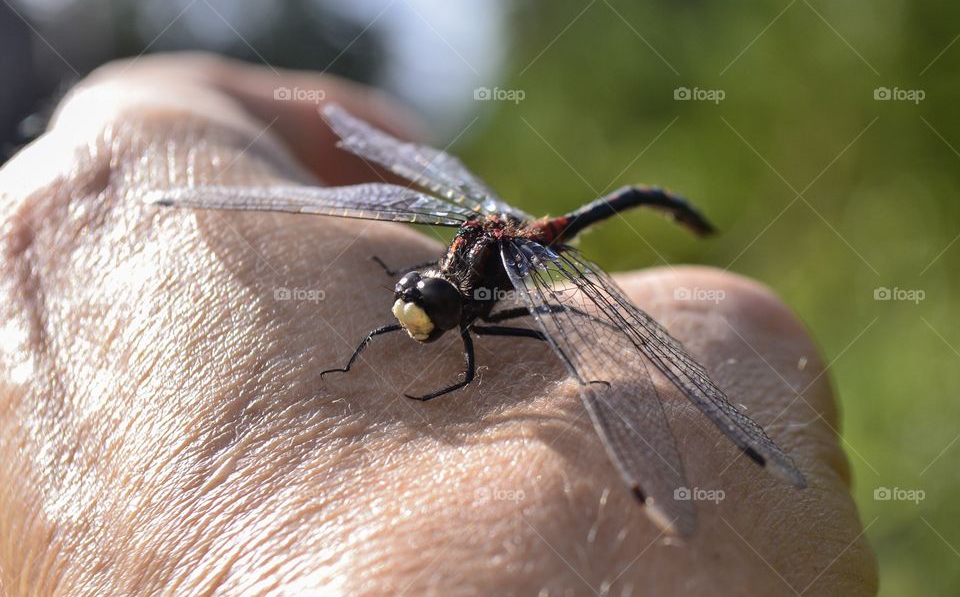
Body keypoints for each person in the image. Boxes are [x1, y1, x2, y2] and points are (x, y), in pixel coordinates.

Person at [0, 53, 877, 596]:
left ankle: (668, 203)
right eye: (422, 295)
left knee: (579, 331)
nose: (418, 306)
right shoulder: (445, 273)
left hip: (538, 249)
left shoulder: (502, 294)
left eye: (429, 300)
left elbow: (547, 366)